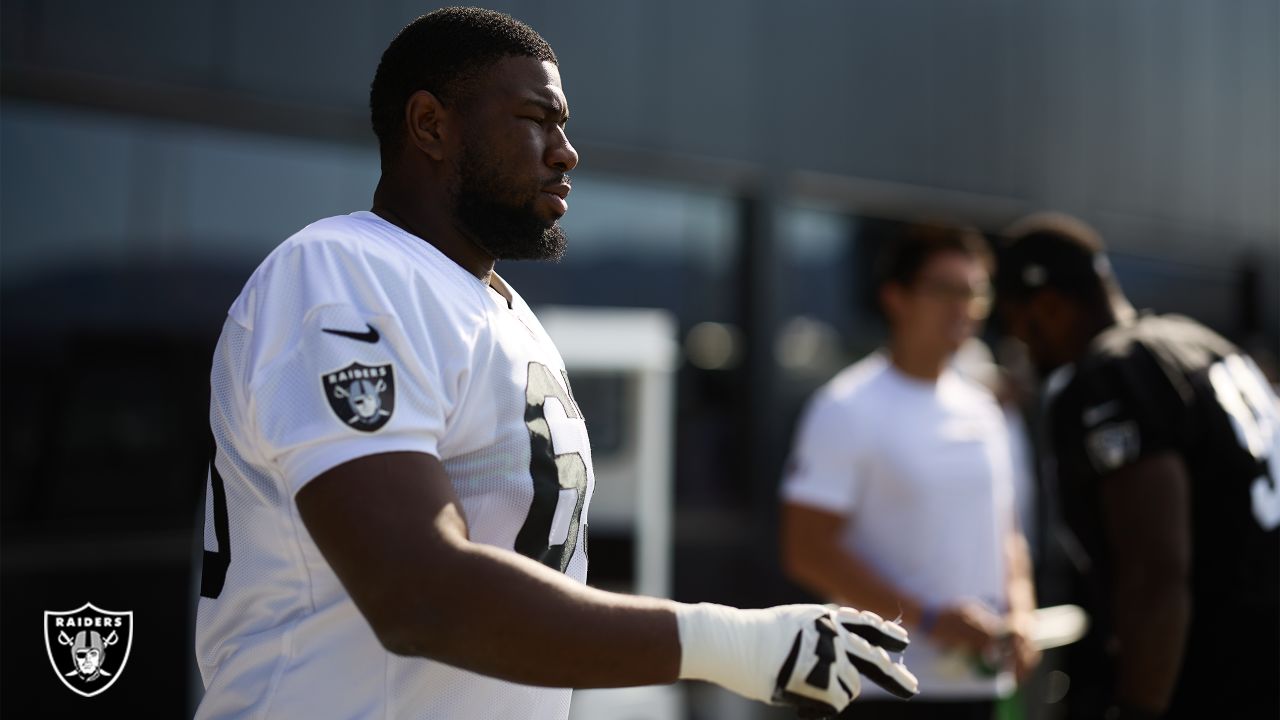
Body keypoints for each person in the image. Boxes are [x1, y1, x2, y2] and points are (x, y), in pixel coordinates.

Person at [193, 7, 917, 719]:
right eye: (538, 120)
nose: (566, 151)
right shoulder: (344, 275)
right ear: (430, 126)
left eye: (562, 125)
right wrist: (726, 643)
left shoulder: (497, 306)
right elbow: (414, 593)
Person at [995, 213, 1280, 719]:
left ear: (1048, 306)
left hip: (1223, 674)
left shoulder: (1115, 370)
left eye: (1020, 326)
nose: (1023, 345)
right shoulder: (1195, 340)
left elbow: (1155, 570)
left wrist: (1138, 707)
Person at [780, 224, 1040, 720]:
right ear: (896, 298)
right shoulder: (846, 406)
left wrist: (1022, 616)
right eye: (945, 290)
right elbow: (806, 551)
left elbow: (1007, 533)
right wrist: (933, 621)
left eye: (975, 292)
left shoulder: (986, 409)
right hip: (876, 686)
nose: (963, 307)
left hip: (980, 686)